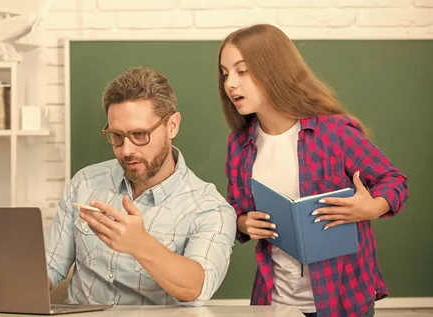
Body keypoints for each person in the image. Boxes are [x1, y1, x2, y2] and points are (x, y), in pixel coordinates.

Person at [218, 24, 409, 317]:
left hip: (343, 300)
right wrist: (243, 223)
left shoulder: (333, 133)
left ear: (274, 70)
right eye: (225, 73)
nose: (230, 83)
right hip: (275, 301)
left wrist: (370, 207)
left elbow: (393, 180)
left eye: (242, 71)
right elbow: (234, 209)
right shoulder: (239, 145)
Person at [45, 66, 237, 306]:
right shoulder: (85, 182)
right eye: (117, 136)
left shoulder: (210, 208)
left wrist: (140, 244)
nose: (126, 150)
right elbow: (51, 265)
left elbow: (196, 288)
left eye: (139, 135)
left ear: (172, 126)